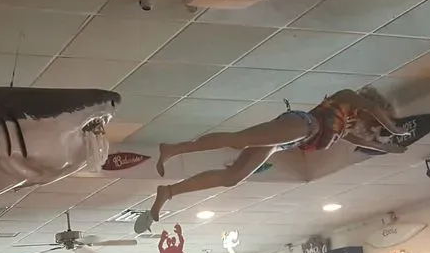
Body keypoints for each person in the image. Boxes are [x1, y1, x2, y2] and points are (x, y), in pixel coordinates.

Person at [136, 88, 407, 231]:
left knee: (232, 178)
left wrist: (392, 149)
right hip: (302, 125)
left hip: (286, 143)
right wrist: (395, 130)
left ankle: (168, 192)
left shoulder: (346, 127)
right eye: (379, 117)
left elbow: (363, 141)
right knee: (239, 139)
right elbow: (371, 108)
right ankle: (173, 149)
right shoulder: (347, 98)